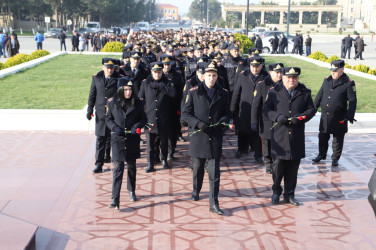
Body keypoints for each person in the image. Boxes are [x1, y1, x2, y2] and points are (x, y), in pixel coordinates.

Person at [182, 61, 231, 215]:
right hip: (199, 136)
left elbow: (228, 113)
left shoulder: (223, 93)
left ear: (217, 77)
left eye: (214, 75)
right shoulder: (194, 92)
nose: (211, 78)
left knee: (214, 172)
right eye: (208, 75)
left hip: (215, 137)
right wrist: (197, 123)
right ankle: (196, 190)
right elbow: (185, 114)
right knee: (198, 168)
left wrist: (224, 120)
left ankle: (214, 203)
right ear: (203, 76)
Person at [263, 67, 316, 206]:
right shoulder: (274, 92)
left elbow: (311, 109)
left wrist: (300, 118)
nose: (291, 80)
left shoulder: (304, 92)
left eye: (294, 78)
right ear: (283, 78)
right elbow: (266, 110)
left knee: (293, 168)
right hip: (279, 135)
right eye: (288, 77)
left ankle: (289, 194)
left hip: (296, 136)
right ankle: (276, 192)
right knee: (278, 167)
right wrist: (277, 117)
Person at [106, 77, 147, 209]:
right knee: (118, 168)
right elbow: (108, 119)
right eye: (125, 90)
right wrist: (114, 128)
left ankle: (131, 190)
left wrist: (137, 126)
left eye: (130, 90)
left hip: (132, 139)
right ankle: (115, 197)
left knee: (131, 166)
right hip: (118, 139)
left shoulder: (138, 102)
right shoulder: (112, 102)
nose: (128, 93)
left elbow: (143, 119)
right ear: (120, 90)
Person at [312, 60, 357, 166]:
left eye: (335, 71)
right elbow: (319, 95)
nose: (332, 73)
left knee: (337, 139)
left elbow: (352, 100)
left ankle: (335, 158)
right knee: (322, 136)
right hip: (325, 116)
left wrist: (350, 115)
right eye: (331, 70)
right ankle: (321, 154)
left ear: (341, 71)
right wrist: (313, 108)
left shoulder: (349, 83)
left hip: (339, 116)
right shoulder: (326, 80)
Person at [138, 62, 176, 172]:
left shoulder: (167, 82)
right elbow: (140, 98)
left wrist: (162, 86)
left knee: (163, 142)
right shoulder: (145, 83)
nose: (157, 74)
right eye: (155, 72)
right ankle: (150, 163)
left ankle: (164, 159)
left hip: (164, 118)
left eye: (159, 72)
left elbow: (173, 93)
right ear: (151, 72)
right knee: (150, 144)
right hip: (150, 118)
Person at [231, 57, 268, 162]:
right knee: (242, 130)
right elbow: (236, 92)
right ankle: (241, 149)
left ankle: (258, 154)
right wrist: (233, 109)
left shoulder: (265, 76)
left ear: (261, 66)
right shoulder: (243, 75)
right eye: (253, 66)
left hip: (258, 110)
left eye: (257, 66)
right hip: (245, 108)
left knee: (257, 133)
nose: (255, 69)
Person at [87, 58, 120, 173]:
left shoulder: (118, 79)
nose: (110, 70)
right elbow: (92, 94)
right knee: (100, 139)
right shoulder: (96, 78)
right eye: (107, 68)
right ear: (103, 67)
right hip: (100, 114)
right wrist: (89, 109)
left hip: (113, 115)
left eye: (111, 68)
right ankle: (98, 164)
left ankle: (115, 161)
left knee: (113, 138)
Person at [251, 63, 284, 174]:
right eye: (277, 72)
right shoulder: (262, 85)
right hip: (266, 121)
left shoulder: (284, 85)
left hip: (280, 121)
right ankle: (268, 163)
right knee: (266, 143)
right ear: (270, 72)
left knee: (279, 142)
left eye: (281, 72)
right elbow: (255, 105)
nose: (279, 75)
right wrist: (254, 122)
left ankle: (277, 162)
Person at [160, 55, 185, 160]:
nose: (166, 67)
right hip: (161, 109)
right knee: (162, 132)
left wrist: (180, 107)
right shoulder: (157, 75)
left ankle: (171, 151)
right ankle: (161, 153)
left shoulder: (177, 76)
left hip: (174, 107)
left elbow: (180, 93)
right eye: (165, 65)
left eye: (168, 64)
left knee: (173, 131)